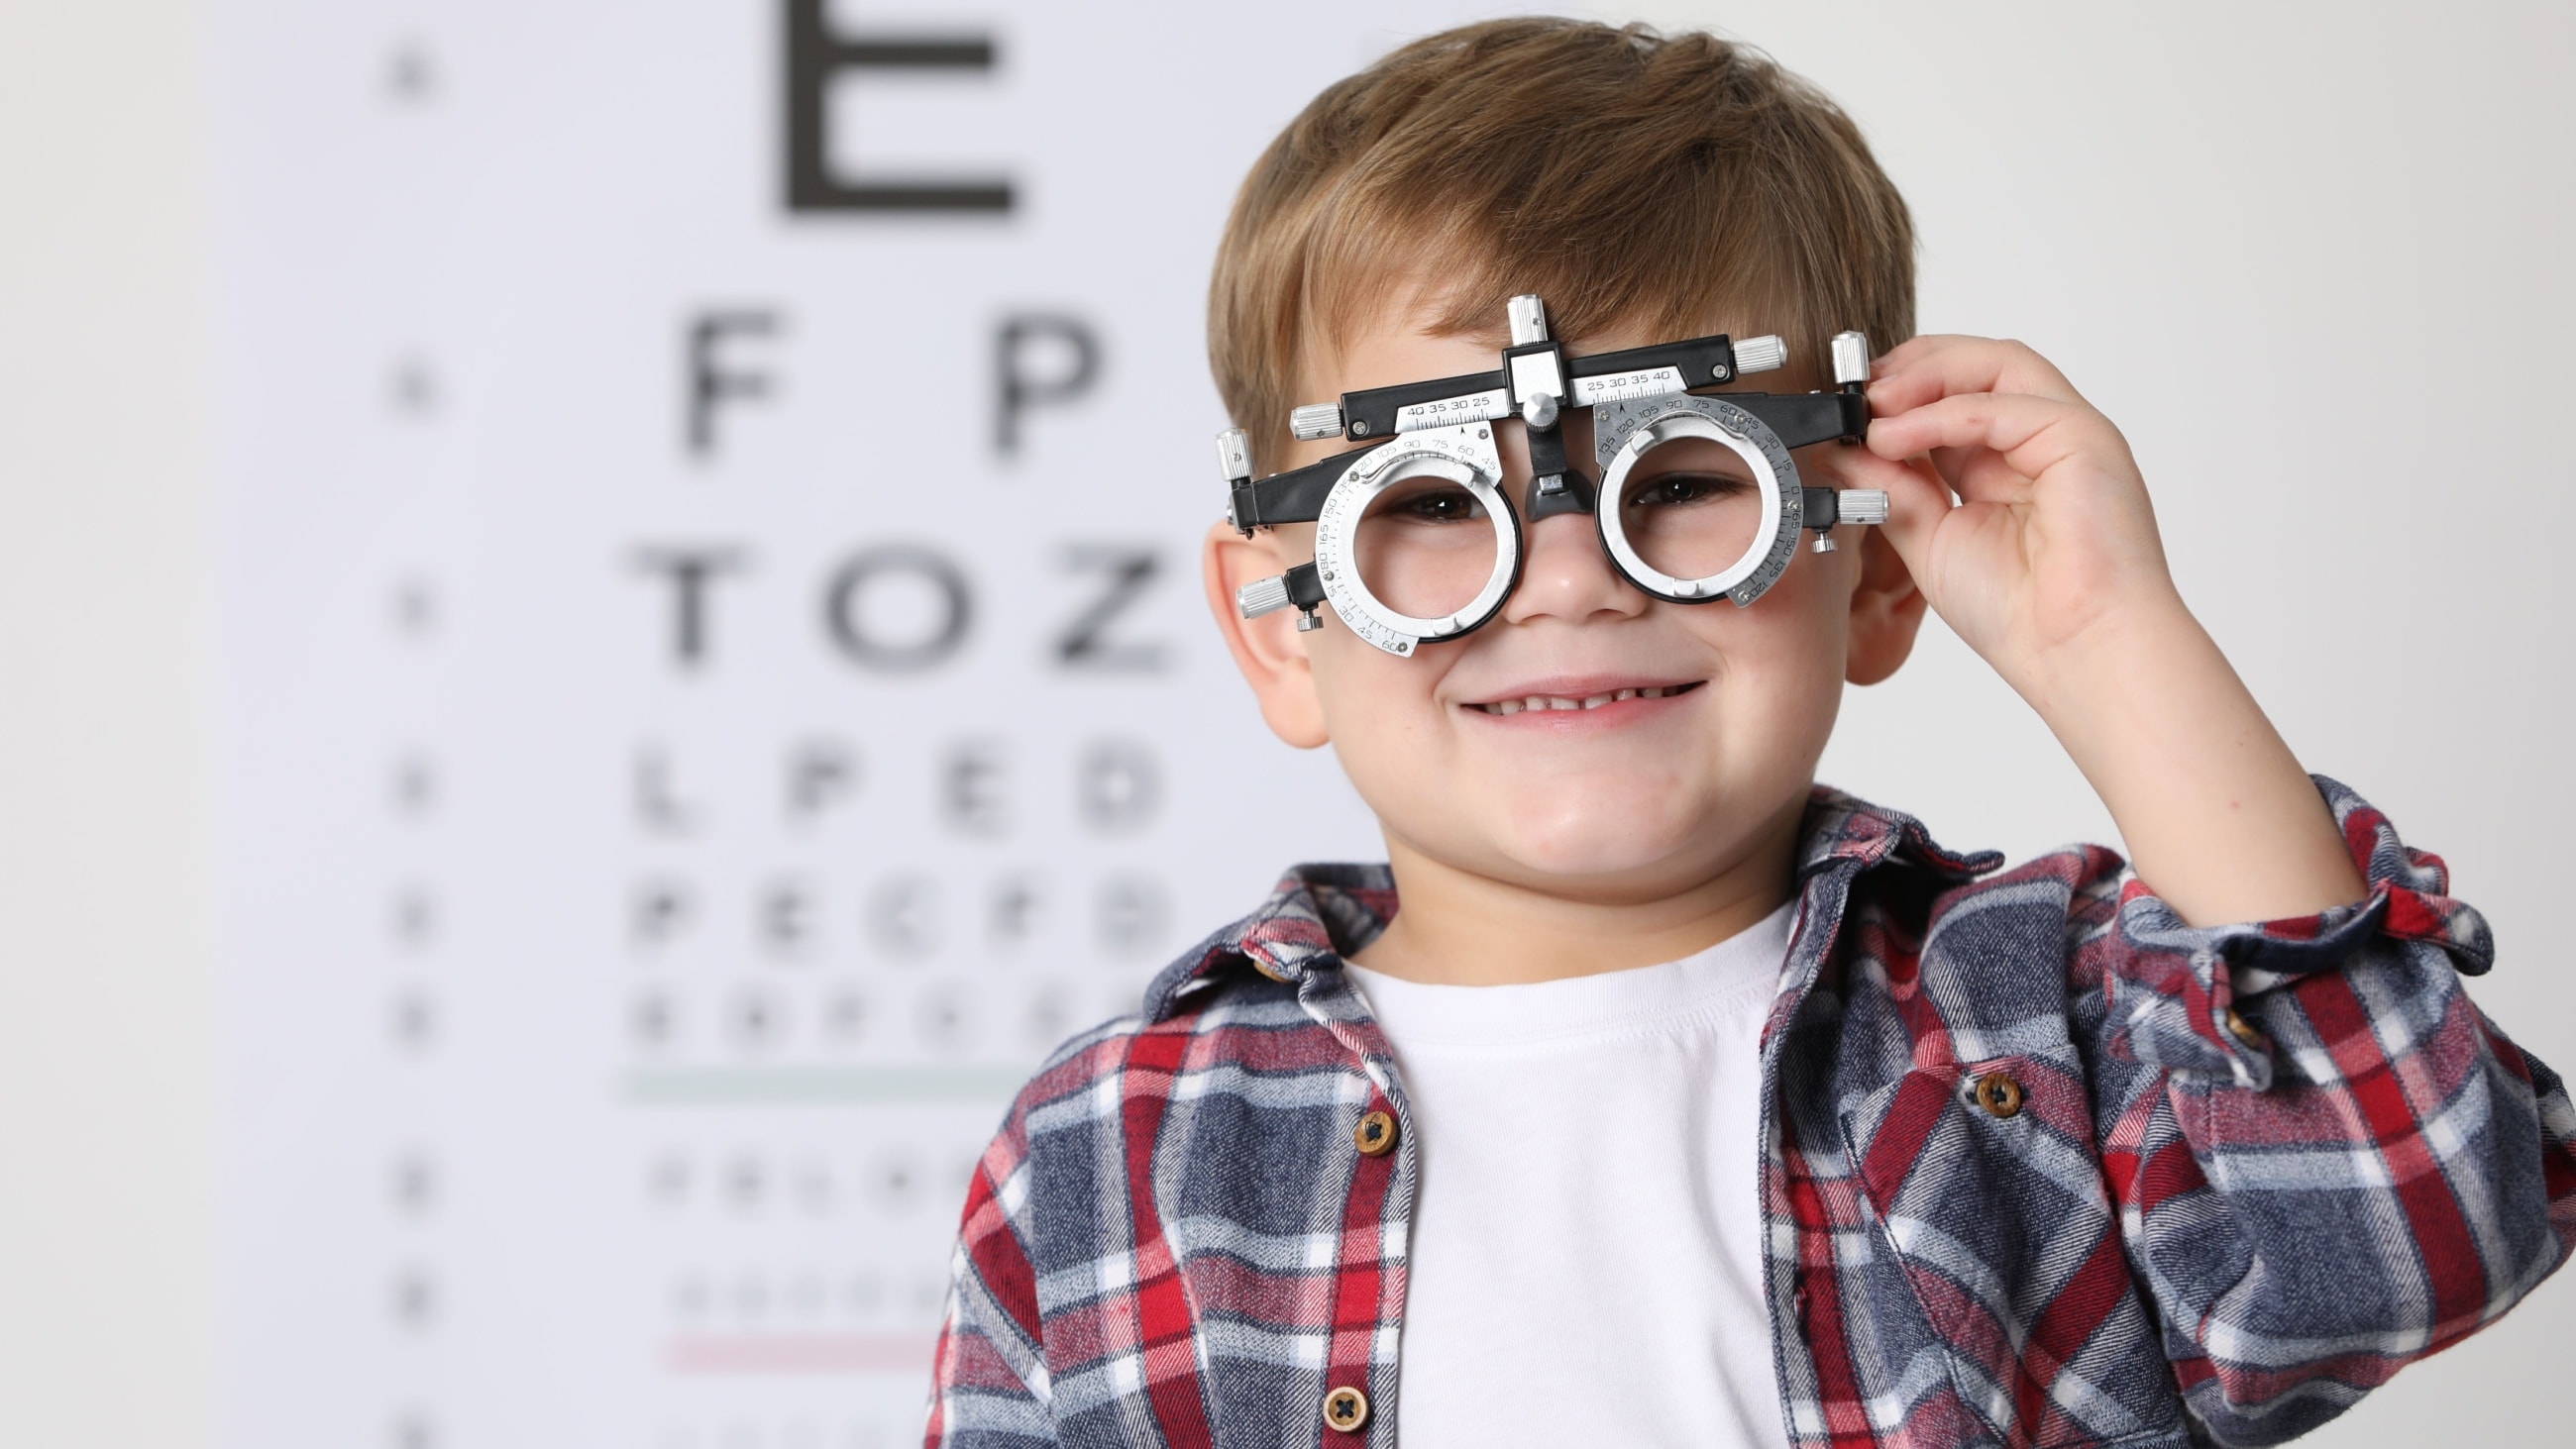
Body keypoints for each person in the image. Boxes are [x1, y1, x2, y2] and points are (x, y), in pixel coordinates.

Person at [922, 18, 2576, 1448]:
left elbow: (2410, 1225)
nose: (1566, 578)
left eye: (1688, 484)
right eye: (1430, 507)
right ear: (1285, 628)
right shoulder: (1113, 1154)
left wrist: (2102, 638)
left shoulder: (2031, 1038)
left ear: (1870, 566)